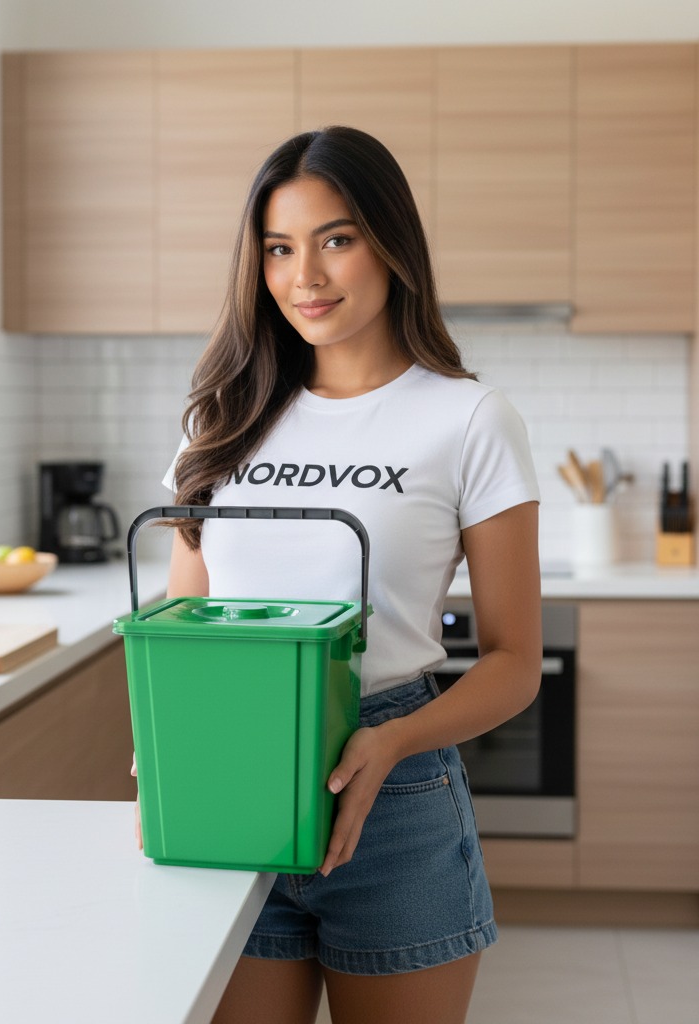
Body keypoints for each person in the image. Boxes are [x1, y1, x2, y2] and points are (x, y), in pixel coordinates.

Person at [136, 125, 542, 1024]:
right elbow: (185, 612)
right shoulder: (223, 415)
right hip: (232, 776)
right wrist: (176, 745)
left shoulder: (470, 418)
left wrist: (389, 742)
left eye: (336, 240)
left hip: (394, 788)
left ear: (392, 242)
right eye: (279, 249)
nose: (305, 278)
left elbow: (515, 661)